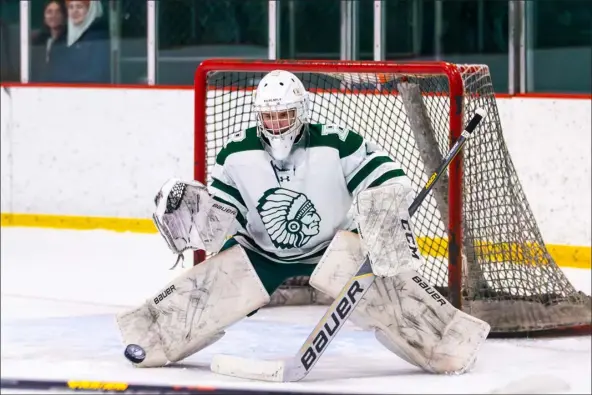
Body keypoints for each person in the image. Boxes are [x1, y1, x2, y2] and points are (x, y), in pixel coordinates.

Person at [116, 70, 489, 375]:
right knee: (211, 287)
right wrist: (200, 214)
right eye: (269, 116)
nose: (277, 125)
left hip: (332, 246)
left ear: (301, 111)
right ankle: (154, 337)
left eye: (285, 115)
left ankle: (448, 342)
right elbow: (225, 214)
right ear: (258, 114)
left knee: (388, 290)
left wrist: (386, 203)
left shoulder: (336, 142)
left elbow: (383, 173)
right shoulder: (234, 152)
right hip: (262, 251)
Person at [45, 0, 110, 83]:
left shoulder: (99, 37)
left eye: (79, 7)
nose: (74, 11)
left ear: (90, 10)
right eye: (71, 7)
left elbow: (97, 74)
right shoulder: (61, 40)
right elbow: (51, 73)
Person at [30, 0, 67, 82]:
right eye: (49, 12)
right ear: (44, 17)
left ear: (64, 16)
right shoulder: (39, 40)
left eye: (58, 12)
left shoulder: (70, 40)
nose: (53, 15)